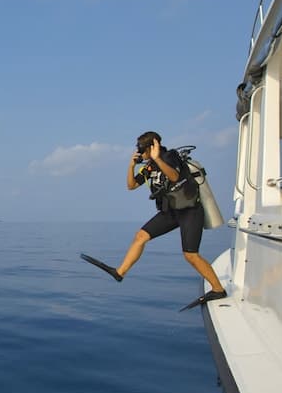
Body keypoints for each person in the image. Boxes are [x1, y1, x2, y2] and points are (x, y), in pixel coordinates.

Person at [82, 131, 226, 305]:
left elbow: (174, 177)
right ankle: (120, 272)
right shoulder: (149, 167)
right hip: (170, 212)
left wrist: (158, 158)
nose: (140, 153)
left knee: (191, 255)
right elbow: (131, 185)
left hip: (190, 211)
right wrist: (131, 166)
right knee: (140, 237)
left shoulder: (169, 156)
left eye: (142, 149)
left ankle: (218, 289)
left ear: (153, 146)